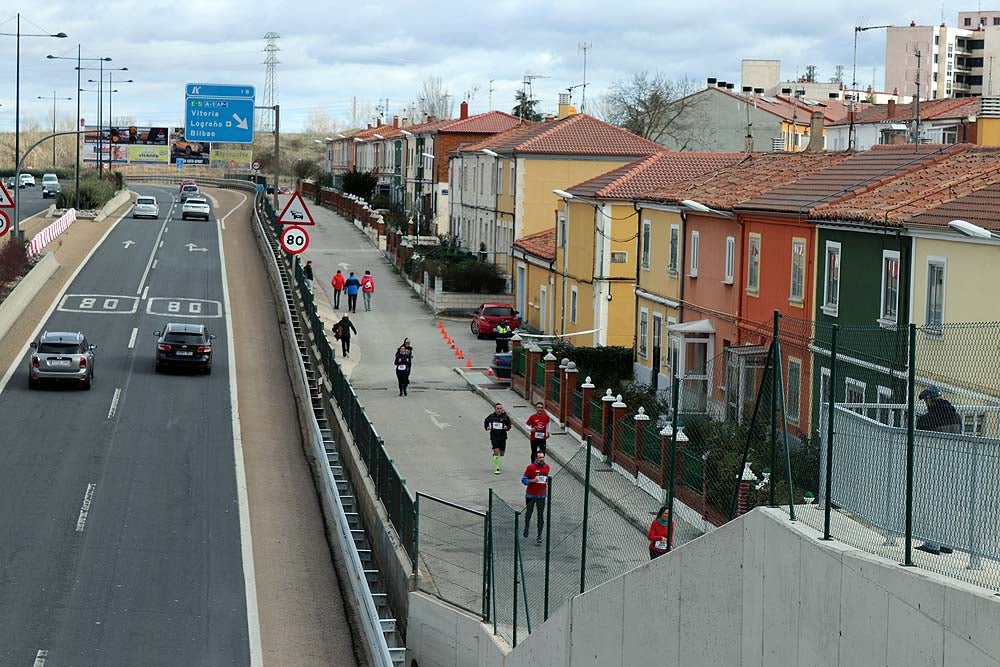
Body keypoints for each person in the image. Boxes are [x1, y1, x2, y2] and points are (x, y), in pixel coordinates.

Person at [915, 385, 962, 555]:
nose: (925, 404)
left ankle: (932, 544)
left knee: (931, 504)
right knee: (947, 506)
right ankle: (946, 543)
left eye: (926, 400)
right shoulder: (957, 417)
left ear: (930, 400)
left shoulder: (925, 420)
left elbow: (919, 443)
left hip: (932, 467)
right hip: (952, 466)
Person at [521, 450, 550, 545]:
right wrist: (533, 480)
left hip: (541, 495)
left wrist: (546, 482)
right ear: (536, 458)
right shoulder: (530, 467)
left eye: (542, 457)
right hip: (531, 494)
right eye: (540, 457)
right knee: (529, 512)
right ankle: (526, 526)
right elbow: (524, 480)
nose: (541, 459)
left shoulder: (547, 467)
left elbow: (546, 477)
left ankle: (539, 535)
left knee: (540, 515)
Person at [484, 402, 512, 475]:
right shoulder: (491, 416)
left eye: (500, 408)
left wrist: (507, 428)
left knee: (501, 453)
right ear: (495, 409)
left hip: (502, 437)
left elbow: (509, 425)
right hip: (494, 436)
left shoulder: (505, 417)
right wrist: (487, 427)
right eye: (497, 408)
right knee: (496, 451)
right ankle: (497, 467)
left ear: (502, 409)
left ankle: (496, 456)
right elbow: (486, 422)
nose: (499, 410)